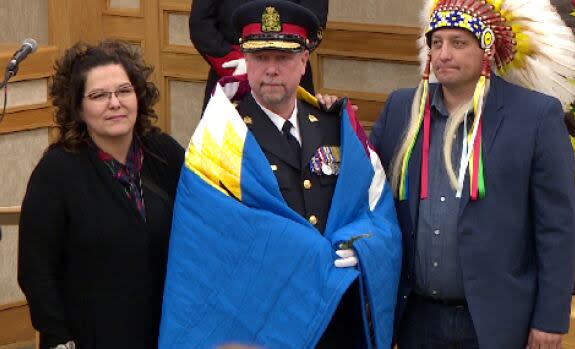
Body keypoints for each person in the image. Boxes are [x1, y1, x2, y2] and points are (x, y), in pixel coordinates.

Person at [158, 1, 401, 348]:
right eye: (260, 57)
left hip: (333, 321)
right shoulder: (220, 141)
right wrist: (312, 254)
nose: (271, 69)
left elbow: (377, 211)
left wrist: (361, 246)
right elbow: (208, 245)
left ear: (304, 61)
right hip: (260, 324)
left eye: (283, 58)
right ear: (245, 61)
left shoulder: (338, 128)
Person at [369, 0, 575, 348]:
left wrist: (550, 318)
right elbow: (363, 181)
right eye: (436, 43)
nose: (443, 54)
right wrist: (330, 117)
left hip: (498, 322)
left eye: (458, 42)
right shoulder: (401, 109)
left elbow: (557, 227)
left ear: (487, 49)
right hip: (415, 319)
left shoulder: (535, 116)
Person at [17, 40, 185, 349]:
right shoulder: (56, 171)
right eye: (98, 96)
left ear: (139, 96)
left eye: (124, 91)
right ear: (78, 108)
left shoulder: (165, 153)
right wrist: (58, 338)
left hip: (167, 331)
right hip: (92, 336)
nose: (115, 103)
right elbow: (36, 269)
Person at [188, 0, 328, 112]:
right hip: (232, 74)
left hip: (288, 75)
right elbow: (200, 23)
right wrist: (241, 62)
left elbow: (315, 23)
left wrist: (283, 58)